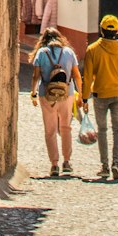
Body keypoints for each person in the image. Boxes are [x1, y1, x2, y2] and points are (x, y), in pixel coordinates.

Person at [80, 13, 118, 180]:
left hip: (100, 95)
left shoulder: (92, 50)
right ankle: (116, 163)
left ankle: (104, 166)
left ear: (101, 30)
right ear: (117, 30)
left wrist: (84, 98)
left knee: (102, 130)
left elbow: (88, 77)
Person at [30, 27, 83, 176]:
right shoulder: (69, 52)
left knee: (50, 130)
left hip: (46, 94)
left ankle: (54, 164)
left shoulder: (41, 53)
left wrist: (33, 93)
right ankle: (67, 161)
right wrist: (82, 95)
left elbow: (36, 76)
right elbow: (77, 75)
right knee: (66, 127)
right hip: (67, 93)